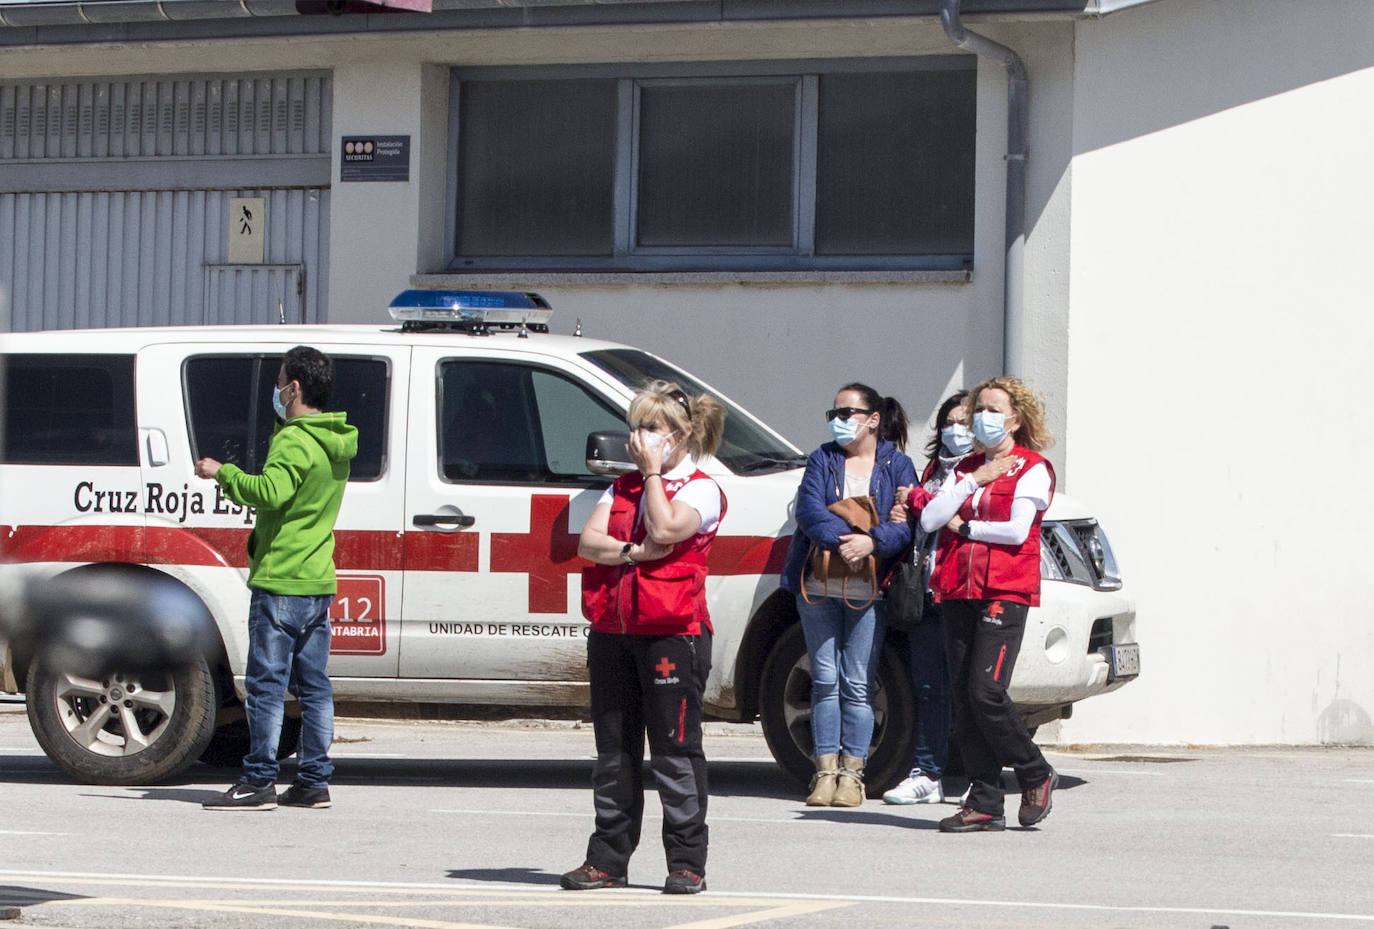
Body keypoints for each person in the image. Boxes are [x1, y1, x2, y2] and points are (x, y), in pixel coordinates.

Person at [564, 380, 727, 895]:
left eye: (651, 428)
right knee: (613, 752)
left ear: (680, 435)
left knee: (675, 752)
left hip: (672, 636)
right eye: (635, 426)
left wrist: (655, 474)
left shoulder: (701, 487)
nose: (638, 438)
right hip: (613, 633)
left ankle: (686, 862)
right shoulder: (621, 487)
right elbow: (589, 544)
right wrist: (630, 554)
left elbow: (667, 529)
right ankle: (607, 858)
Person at [197, 346, 358, 811]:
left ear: (295, 388)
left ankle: (258, 778)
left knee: (267, 685)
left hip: (281, 579)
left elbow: (270, 493)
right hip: (316, 579)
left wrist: (222, 472)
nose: (277, 388)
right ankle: (313, 780)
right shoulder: (336, 439)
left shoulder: (293, 439)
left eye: (281, 380)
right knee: (313, 685)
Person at [918, 376, 1058, 833]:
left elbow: (1018, 531)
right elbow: (931, 516)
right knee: (965, 697)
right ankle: (984, 800)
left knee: (986, 690)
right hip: (959, 588)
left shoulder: (1032, 468)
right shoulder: (970, 468)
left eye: (993, 410)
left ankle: (1035, 770)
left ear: (1016, 419)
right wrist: (973, 480)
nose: (983, 418)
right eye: (980, 409)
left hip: (1004, 591)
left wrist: (967, 529)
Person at [780, 383, 916, 807]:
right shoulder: (823, 458)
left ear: (873, 419)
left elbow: (908, 522)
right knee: (824, 681)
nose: (839, 421)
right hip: (817, 585)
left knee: (857, 683)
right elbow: (808, 510)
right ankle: (823, 773)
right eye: (834, 413)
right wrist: (846, 541)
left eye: (848, 412)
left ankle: (852, 776)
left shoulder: (899, 464)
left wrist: (872, 543)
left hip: (870, 588)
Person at [882, 390, 970, 806]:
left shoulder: (984, 471)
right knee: (929, 687)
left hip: (962, 591)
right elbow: (929, 518)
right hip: (925, 591)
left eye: (964, 423)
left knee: (974, 689)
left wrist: (915, 500)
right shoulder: (934, 469)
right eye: (949, 423)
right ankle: (927, 772)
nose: (956, 430)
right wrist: (906, 511)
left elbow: (948, 515)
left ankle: (991, 770)